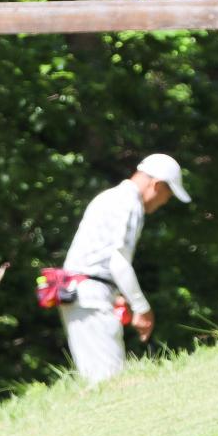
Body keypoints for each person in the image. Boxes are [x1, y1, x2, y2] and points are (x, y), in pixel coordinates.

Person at [58, 153, 190, 384]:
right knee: (110, 381)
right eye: (167, 196)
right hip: (90, 297)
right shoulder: (129, 203)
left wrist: (115, 294)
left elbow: (98, 256)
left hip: (81, 293)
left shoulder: (111, 198)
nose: (164, 203)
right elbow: (118, 261)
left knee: (95, 379)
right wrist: (141, 307)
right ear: (156, 185)